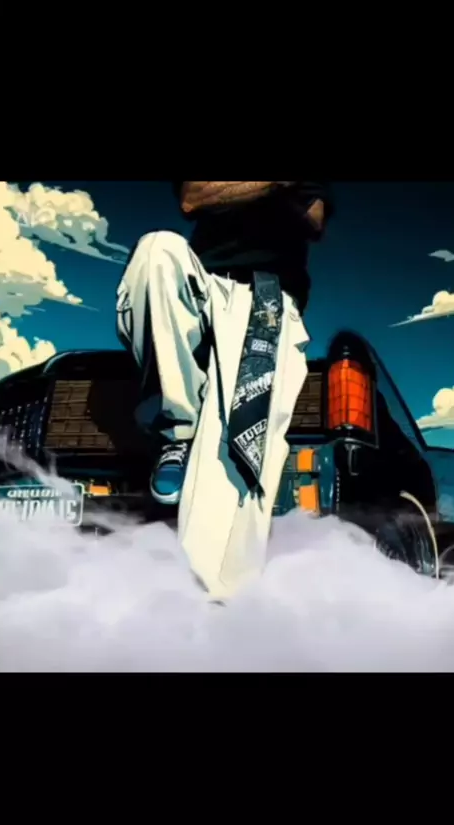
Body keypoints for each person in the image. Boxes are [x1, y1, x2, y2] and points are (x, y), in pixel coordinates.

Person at [116, 181, 333, 597]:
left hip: (266, 296)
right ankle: (177, 435)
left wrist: (238, 191)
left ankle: (212, 606)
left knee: (236, 450)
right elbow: (193, 197)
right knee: (157, 251)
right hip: (202, 282)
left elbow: (314, 218)